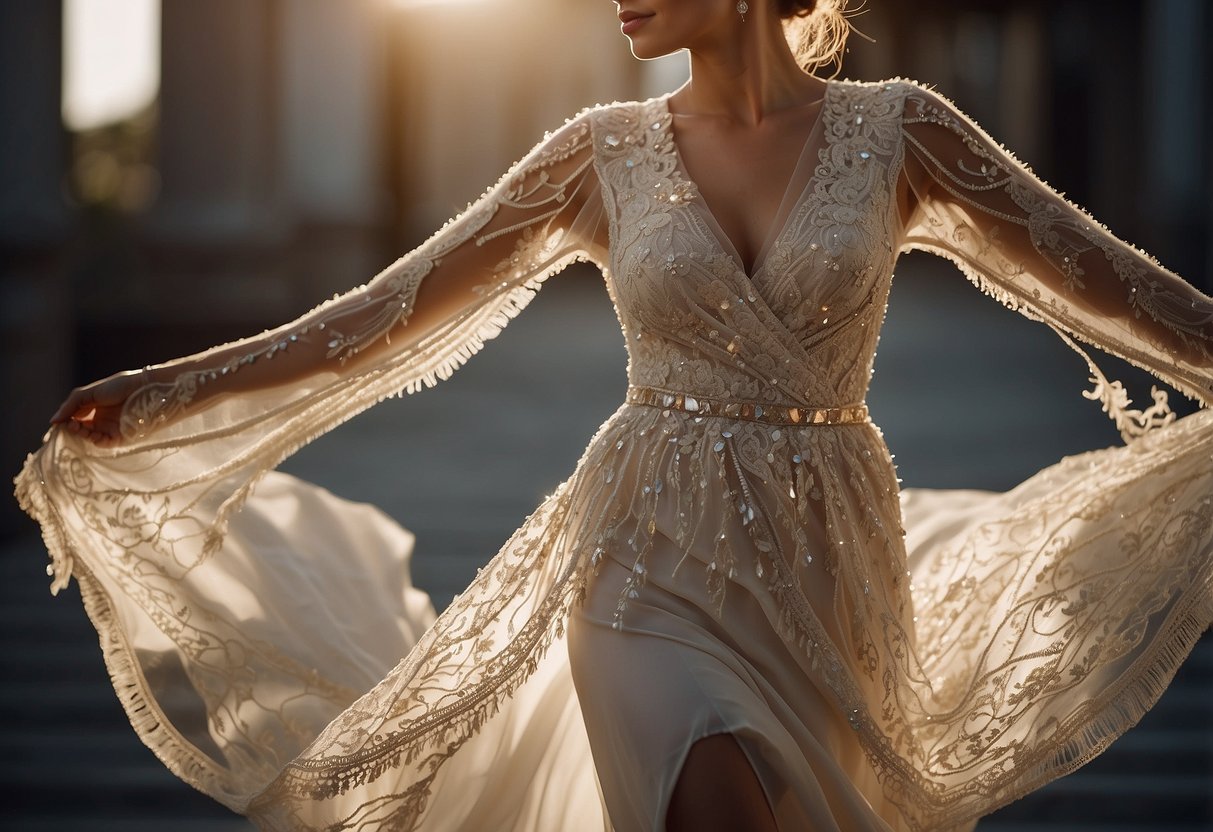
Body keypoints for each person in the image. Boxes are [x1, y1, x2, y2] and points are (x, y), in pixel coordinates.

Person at [16, 1, 1213, 830]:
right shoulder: (601, 152)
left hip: (827, 558)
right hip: (643, 553)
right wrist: (170, 391)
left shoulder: (903, 131)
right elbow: (379, 319)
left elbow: (1110, 281)